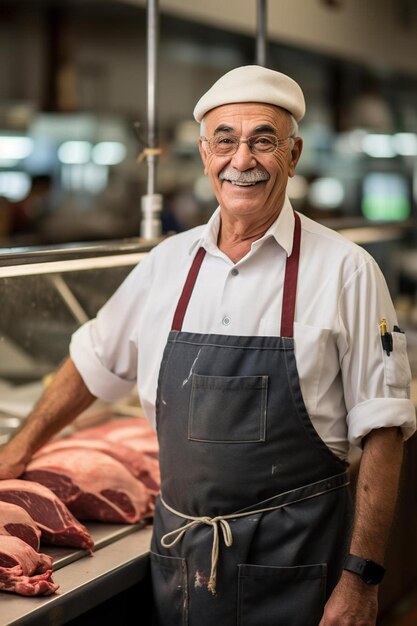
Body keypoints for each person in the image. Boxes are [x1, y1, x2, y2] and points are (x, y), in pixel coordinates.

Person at [0, 65, 415, 626]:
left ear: (292, 157)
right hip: (181, 562)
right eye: (226, 140)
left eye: (263, 141)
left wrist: (361, 578)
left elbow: (384, 431)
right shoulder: (167, 264)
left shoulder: (347, 271)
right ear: (203, 152)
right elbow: (92, 361)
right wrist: (18, 452)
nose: (241, 160)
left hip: (298, 566)